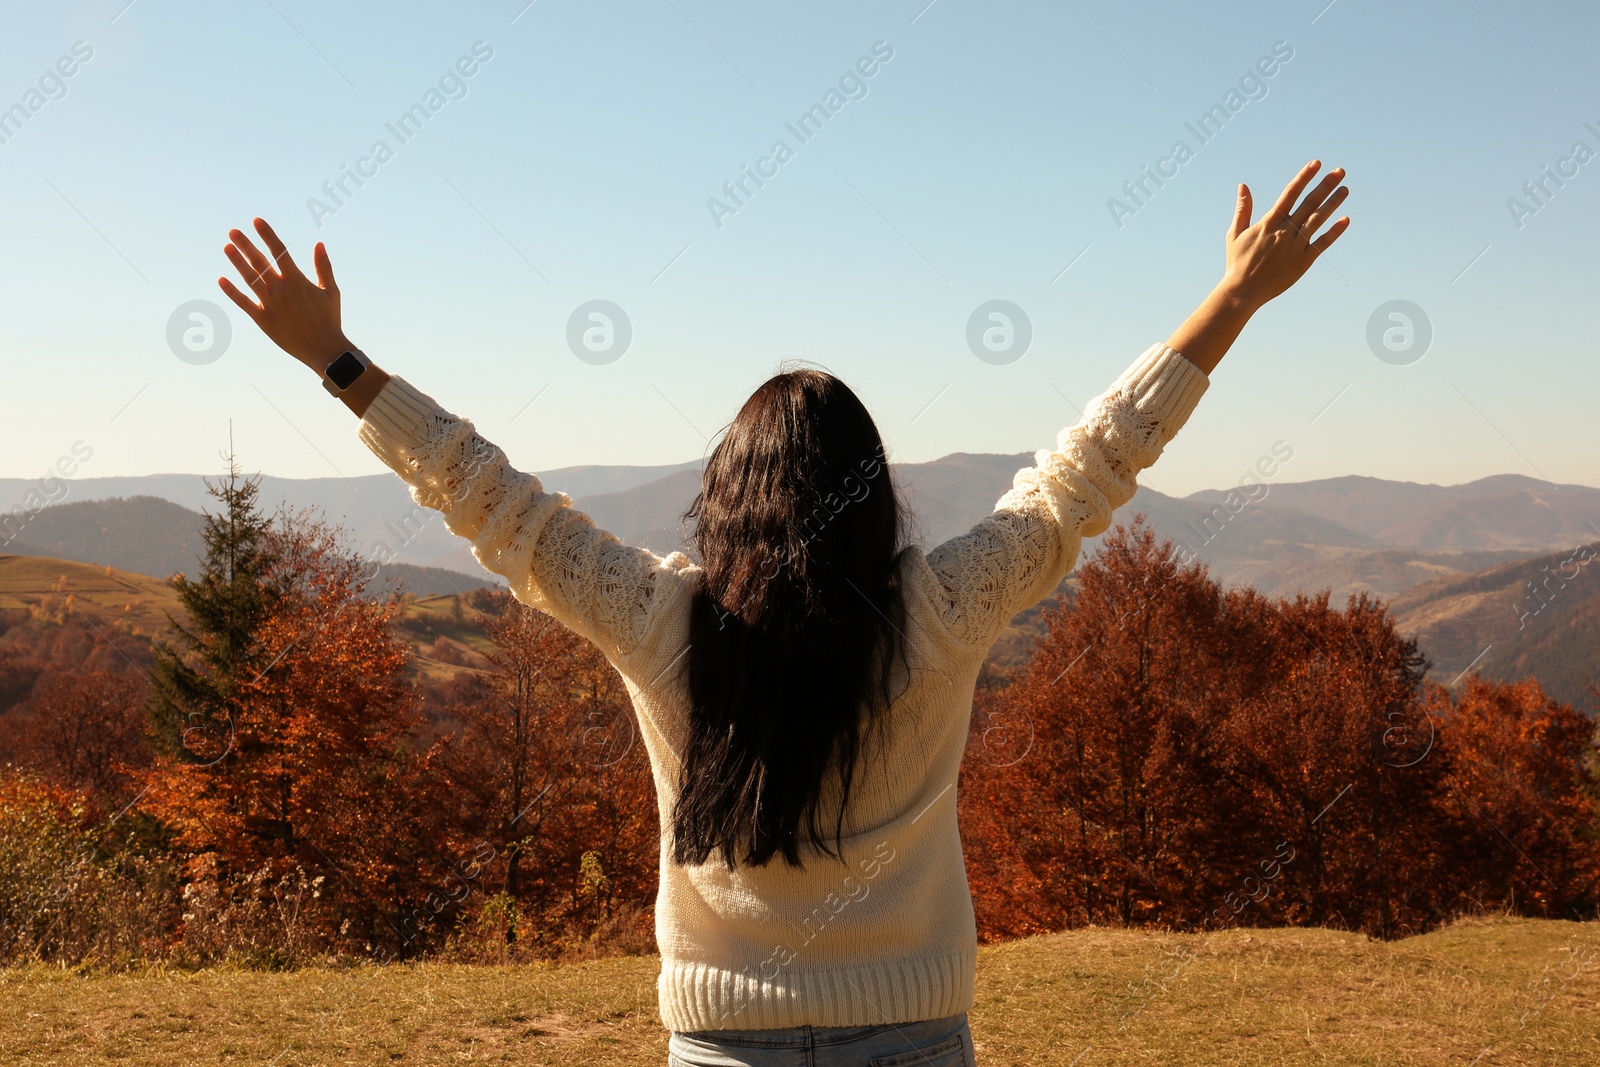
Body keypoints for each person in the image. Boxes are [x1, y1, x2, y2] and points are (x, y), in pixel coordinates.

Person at [218, 159, 1349, 1066]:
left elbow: (490, 499)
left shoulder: (657, 617)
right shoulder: (940, 608)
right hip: (911, 1033)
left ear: (725, 500)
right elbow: (1090, 466)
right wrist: (1234, 298)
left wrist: (338, 360)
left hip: (720, 1042)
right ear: (871, 491)